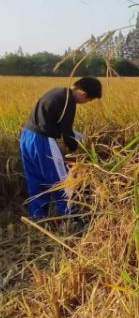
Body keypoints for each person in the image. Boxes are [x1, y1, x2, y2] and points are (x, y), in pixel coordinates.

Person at [20, 77, 102, 221]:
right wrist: (77, 150)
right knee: (64, 182)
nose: (86, 103)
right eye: (88, 100)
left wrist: (73, 133)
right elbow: (67, 135)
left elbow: (52, 121)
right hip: (43, 141)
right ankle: (73, 219)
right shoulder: (68, 102)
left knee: (36, 180)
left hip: (27, 137)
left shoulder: (57, 93)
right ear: (83, 94)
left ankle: (38, 217)